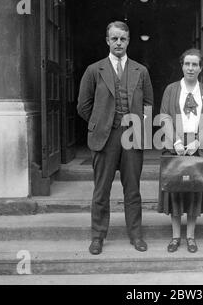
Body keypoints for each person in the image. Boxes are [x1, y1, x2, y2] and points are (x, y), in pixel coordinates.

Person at [77, 21, 154, 255]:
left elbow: (149, 104)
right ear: (107, 41)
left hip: (132, 136)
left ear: (128, 40)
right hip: (105, 137)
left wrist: (138, 126)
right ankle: (98, 236)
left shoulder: (140, 70)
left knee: (133, 189)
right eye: (114, 39)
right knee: (101, 190)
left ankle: (136, 235)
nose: (118, 43)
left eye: (122, 38)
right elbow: (83, 105)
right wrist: (100, 124)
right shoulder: (94, 70)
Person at [158, 49, 203, 253]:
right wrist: (174, 140)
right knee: (175, 189)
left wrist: (198, 142)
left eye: (195, 65)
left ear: (201, 68)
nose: (190, 68)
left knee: (193, 190)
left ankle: (190, 236)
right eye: (187, 64)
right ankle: (175, 237)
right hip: (175, 146)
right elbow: (165, 115)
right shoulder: (171, 89)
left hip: (196, 147)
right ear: (182, 66)